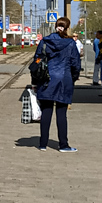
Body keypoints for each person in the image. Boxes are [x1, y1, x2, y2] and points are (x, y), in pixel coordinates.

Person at [32, 16, 81, 152]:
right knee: (61, 113)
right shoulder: (70, 43)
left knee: (46, 111)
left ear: (55, 26)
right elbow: (75, 63)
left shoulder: (45, 41)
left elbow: (37, 59)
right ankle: (63, 145)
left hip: (47, 79)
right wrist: (74, 77)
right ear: (67, 28)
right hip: (64, 80)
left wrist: (36, 80)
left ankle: (42, 144)